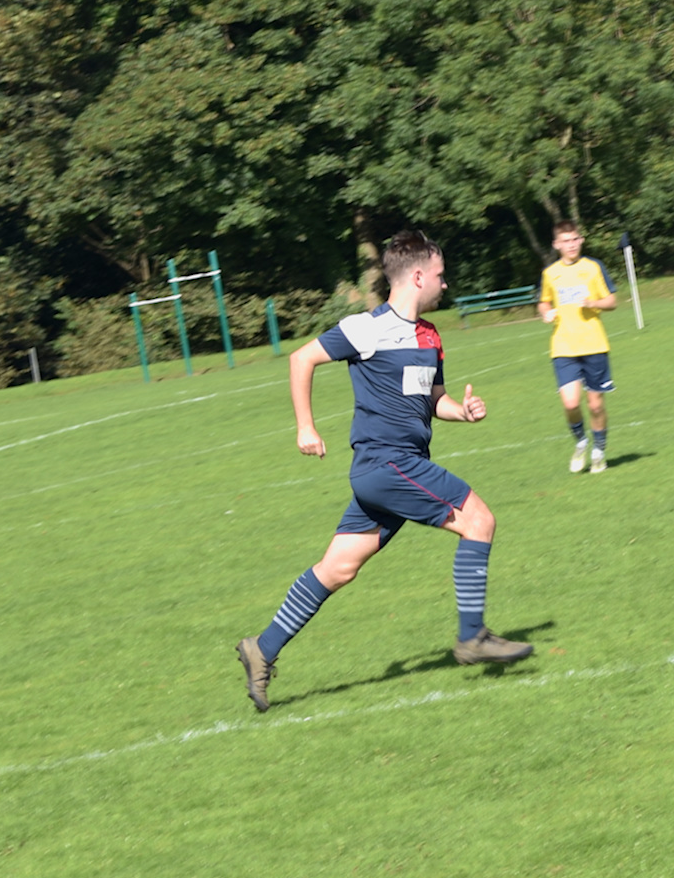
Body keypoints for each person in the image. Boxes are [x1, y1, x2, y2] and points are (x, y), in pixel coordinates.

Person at [235, 230, 532, 712]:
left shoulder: (431, 335)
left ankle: (260, 649)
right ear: (417, 275)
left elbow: (432, 398)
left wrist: (463, 410)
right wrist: (305, 427)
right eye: (439, 274)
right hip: (387, 465)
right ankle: (472, 636)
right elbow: (301, 358)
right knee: (479, 520)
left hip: (395, 471)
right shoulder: (366, 328)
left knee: (338, 567)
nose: (444, 283)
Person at [538, 221, 620, 474]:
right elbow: (544, 302)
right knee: (571, 403)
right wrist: (546, 313)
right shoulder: (550, 273)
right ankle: (581, 442)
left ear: (581, 240)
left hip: (594, 344)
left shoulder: (593, 267)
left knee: (595, 405)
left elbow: (612, 300)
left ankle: (599, 450)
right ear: (556, 244)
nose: (571, 245)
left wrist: (592, 301)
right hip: (563, 347)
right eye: (566, 241)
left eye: (575, 239)